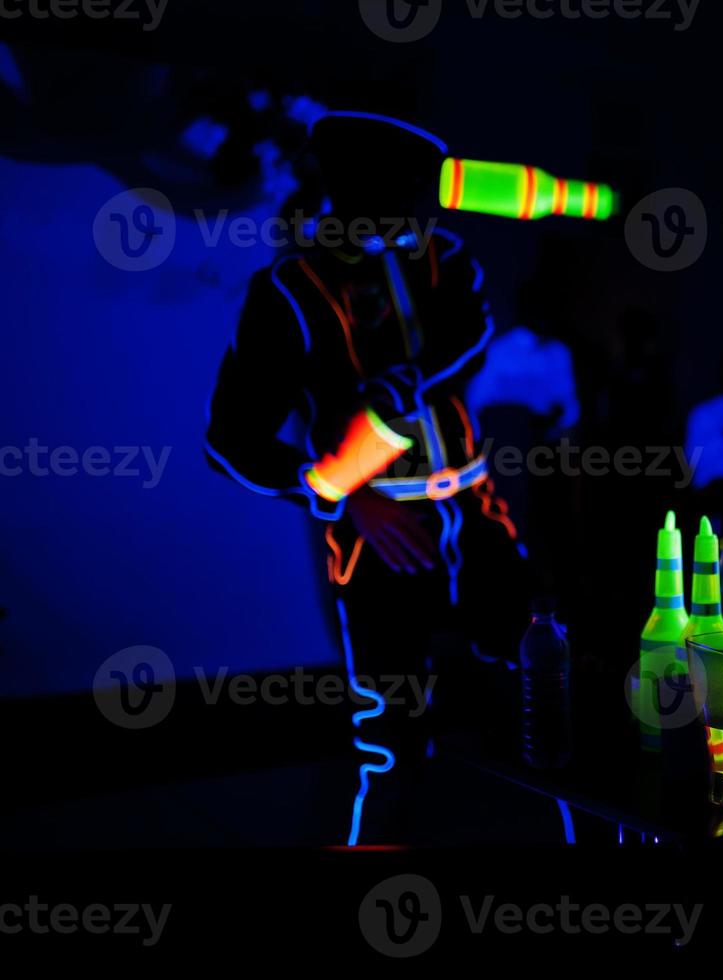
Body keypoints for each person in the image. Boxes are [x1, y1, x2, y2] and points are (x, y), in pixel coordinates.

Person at [204, 112, 528, 845]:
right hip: (378, 539)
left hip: (476, 513)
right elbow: (229, 441)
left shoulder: (447, 260)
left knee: (529, 696)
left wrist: (402, 381)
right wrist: (347, 493)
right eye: (412, 193)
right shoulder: (288, 291)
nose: (429, 209)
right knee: (391, 737)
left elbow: (467, 330)